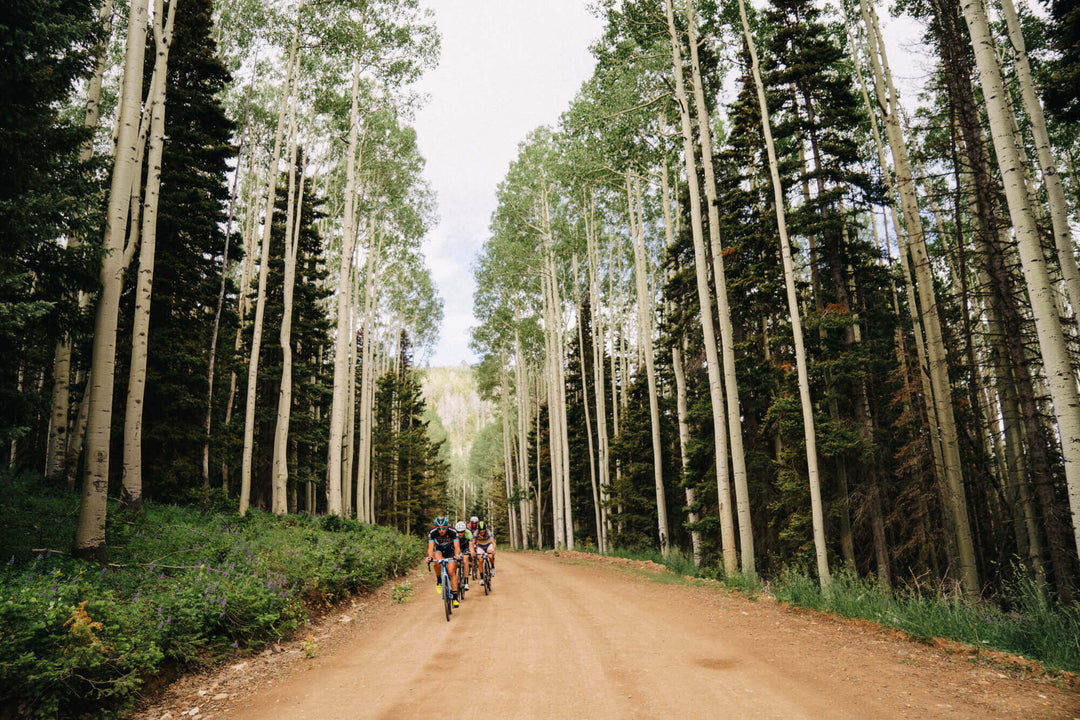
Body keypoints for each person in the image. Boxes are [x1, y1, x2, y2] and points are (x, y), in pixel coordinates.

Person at [427, 516, 462, 607]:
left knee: (451, 571)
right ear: (436, 528)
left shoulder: (453, 532)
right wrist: (430, 557)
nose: (441, 530)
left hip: (450, 550)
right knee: (437, 561)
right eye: (439, 528)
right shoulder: (432, 532)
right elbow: (430, 548)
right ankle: (439, 580)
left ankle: (455, 597)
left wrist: (457, 555)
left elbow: (457, 547)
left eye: (443, 528)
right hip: (439, 549)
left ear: (447, 526)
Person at [454, 520, 473, 591]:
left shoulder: (469, 533)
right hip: (457, 546)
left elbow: (471, 545)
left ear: (464, 531)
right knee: (454, 560)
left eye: (461, 532)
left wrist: (471, 552)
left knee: (465, 561)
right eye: (458, 532)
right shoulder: (454, 534)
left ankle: (466, 582)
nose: (459, 533)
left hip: (465, 546)